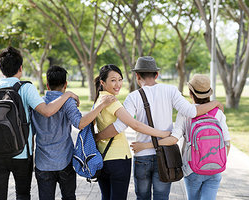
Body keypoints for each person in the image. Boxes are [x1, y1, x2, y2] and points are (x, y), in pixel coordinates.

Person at [96, 56, 224, 200]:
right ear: (156, 74)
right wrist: (215, 103)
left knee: (142, 197)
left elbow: (119, 126)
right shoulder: (171, 90)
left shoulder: (133, 97)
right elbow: (191, 111)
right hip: (165, 155)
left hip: (142, 155)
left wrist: (98, 136)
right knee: (162, 197)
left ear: (137, 76)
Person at [0, 47, 79, 200]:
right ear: (20, 68)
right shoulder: (25, 88)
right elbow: (47, 111)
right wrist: (67, 95)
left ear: (1, 69)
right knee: (22, 194)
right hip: (21, 153)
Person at [131, 74, 231, 200]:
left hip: (193, 169)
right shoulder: (218, 113)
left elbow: (173, 139)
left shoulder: (185, 113)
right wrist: (217, 161)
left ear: (190, 93)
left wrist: (145, 145)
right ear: (209, 93)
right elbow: (227, 142)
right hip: (216, 169)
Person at [30, 66, 116, 200]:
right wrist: (101, 105)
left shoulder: (37, 104)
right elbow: (81, 123)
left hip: (43, 163)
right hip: (65, 161)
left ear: (47, 85)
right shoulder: (68, 102)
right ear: (65, 84)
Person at [93, 64, 174, 200]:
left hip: (102, 157)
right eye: (113, 80)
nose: (118, 84)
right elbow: (135, 124)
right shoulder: (112, 102)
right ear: (102, 82)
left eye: (120, 79)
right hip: (118, 159)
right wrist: (162, 134)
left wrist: (97, 137)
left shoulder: (99, 100)